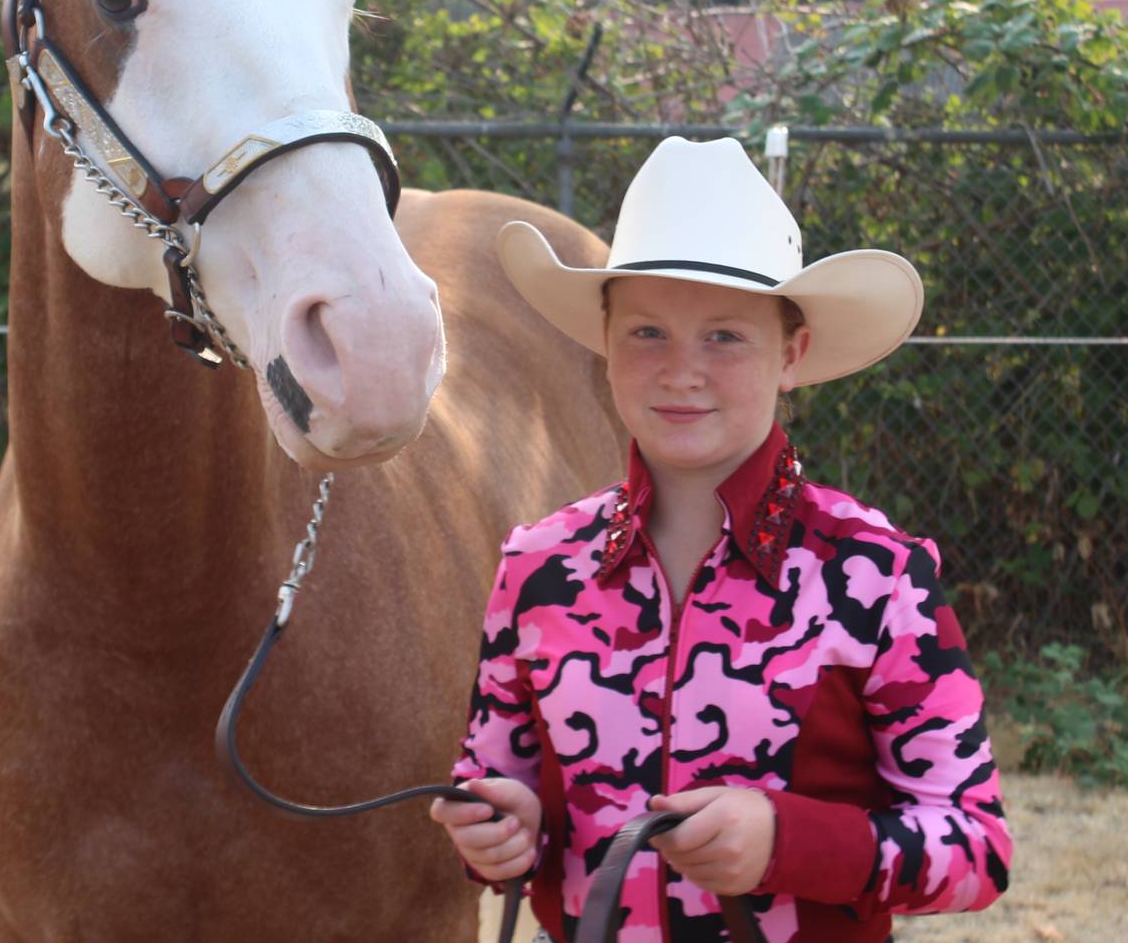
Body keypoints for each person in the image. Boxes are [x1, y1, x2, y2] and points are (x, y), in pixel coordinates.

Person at [430, 136, 1012, 943]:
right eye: (647, 333)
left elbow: (976, 847)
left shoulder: (877, 574)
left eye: (725, 336)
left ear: (791, 354)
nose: (682, 370)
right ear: (605, 346)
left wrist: (788, 841)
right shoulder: (537, 567)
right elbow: (494, 779)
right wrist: (501, 830)